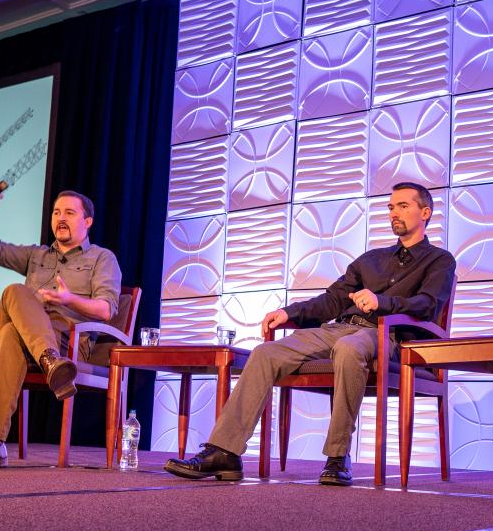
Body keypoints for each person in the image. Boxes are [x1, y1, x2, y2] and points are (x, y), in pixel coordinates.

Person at [165, 182, 456, 486]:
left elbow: (428, 304)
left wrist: (382, 302)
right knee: (266, 353)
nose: (394, 213)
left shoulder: (439, 260)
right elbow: (331, 301)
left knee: (349, 348)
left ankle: (337, 456)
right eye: (391, 207)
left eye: (403, 206)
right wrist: (290, 313)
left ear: (425, 213)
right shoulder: (370, 260)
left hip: (386, 335)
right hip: (341, 328)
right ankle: (225, 451)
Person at [0, 184, 122, 469]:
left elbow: (106, 309)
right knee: (14, 292)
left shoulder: (102, 258)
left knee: (8, 334)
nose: (61, 218)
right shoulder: (36, 255)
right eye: (56, 212)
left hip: (67, 342)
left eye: (69, 213)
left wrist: (68, 299)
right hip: (43, 350)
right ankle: (49, 361)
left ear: (88, 221)